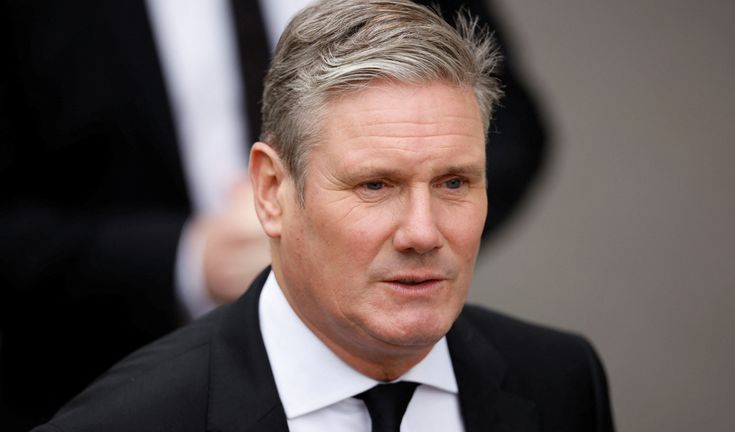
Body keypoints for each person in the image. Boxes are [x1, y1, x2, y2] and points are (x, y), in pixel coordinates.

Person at [31, 1, 612, 431]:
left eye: (454, 182)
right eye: (375, 185)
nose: (422, 232)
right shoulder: (122, 423)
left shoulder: (562, 380)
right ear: (271, 192)